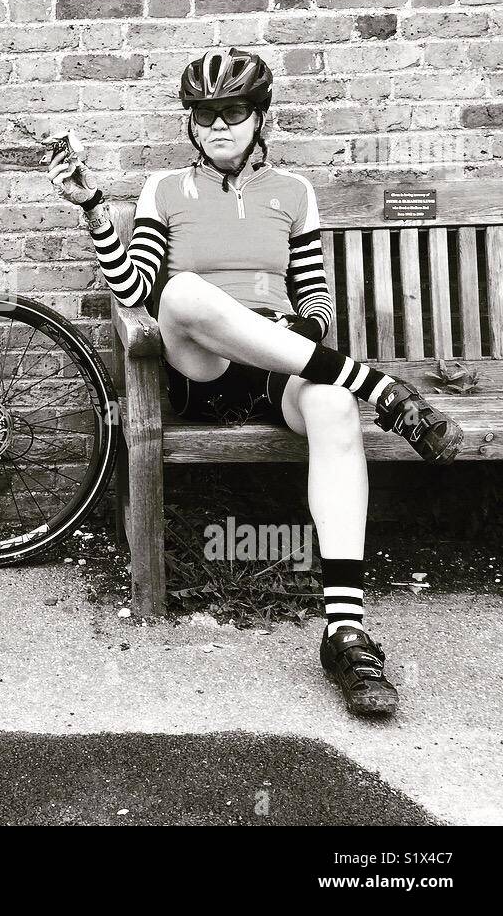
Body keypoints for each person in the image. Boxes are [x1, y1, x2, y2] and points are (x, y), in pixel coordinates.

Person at [48, 46, 465, 719]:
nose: (218, 124)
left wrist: (302, 333)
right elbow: (136, 290)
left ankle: (345, 631)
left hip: (282, 364)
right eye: (204, 114)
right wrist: (95, 209)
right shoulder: (165, 190)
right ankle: (377, 387)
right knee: (179, 290)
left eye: (233, 110)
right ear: (190, 123)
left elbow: (316, 297)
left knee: (331, 404)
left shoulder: (293, 192)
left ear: (258, 115)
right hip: (201, 365)